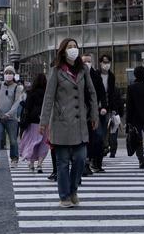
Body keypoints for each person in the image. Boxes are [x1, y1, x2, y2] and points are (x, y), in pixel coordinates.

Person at [41, 38, 100, 208]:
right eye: (70, 47)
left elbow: (92, 94)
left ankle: (73, 189)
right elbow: (49, 97)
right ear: (63, 50)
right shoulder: (56, 71)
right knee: (63, 162)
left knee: (81, 159)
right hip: (61, 123)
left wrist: (94, 115)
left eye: (75, 47)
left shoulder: (83, 70)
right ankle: (64, 196)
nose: (73, 49)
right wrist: (43, 122)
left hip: (80, 123)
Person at [85, 53, 121, 174]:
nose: (106, 64)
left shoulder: (111, 76)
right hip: (93, 109)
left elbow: (111, 94)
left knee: (102, 137)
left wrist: (111, 108)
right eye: (104, 62)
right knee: (97, 135)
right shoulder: (94, 75)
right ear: (99, 63)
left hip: (105, 109)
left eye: (108, 62)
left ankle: (96, 162)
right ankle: (92, 161)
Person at [0, 65, 25, 169]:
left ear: (13, 75)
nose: (8, 75)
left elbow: (17, 102)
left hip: (11, 118)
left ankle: (14, 159)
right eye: (6, 73)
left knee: (13, 140)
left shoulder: (18, 87)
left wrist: (9, 113)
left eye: (10, 73)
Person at [19, 73, 50, 173]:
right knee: (44, 143)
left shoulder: (31, 92)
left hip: (33, 121)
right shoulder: (48, 93)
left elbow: (27, 107)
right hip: (45, 121)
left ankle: (31, 164)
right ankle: (40, 164)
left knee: (32, 142)